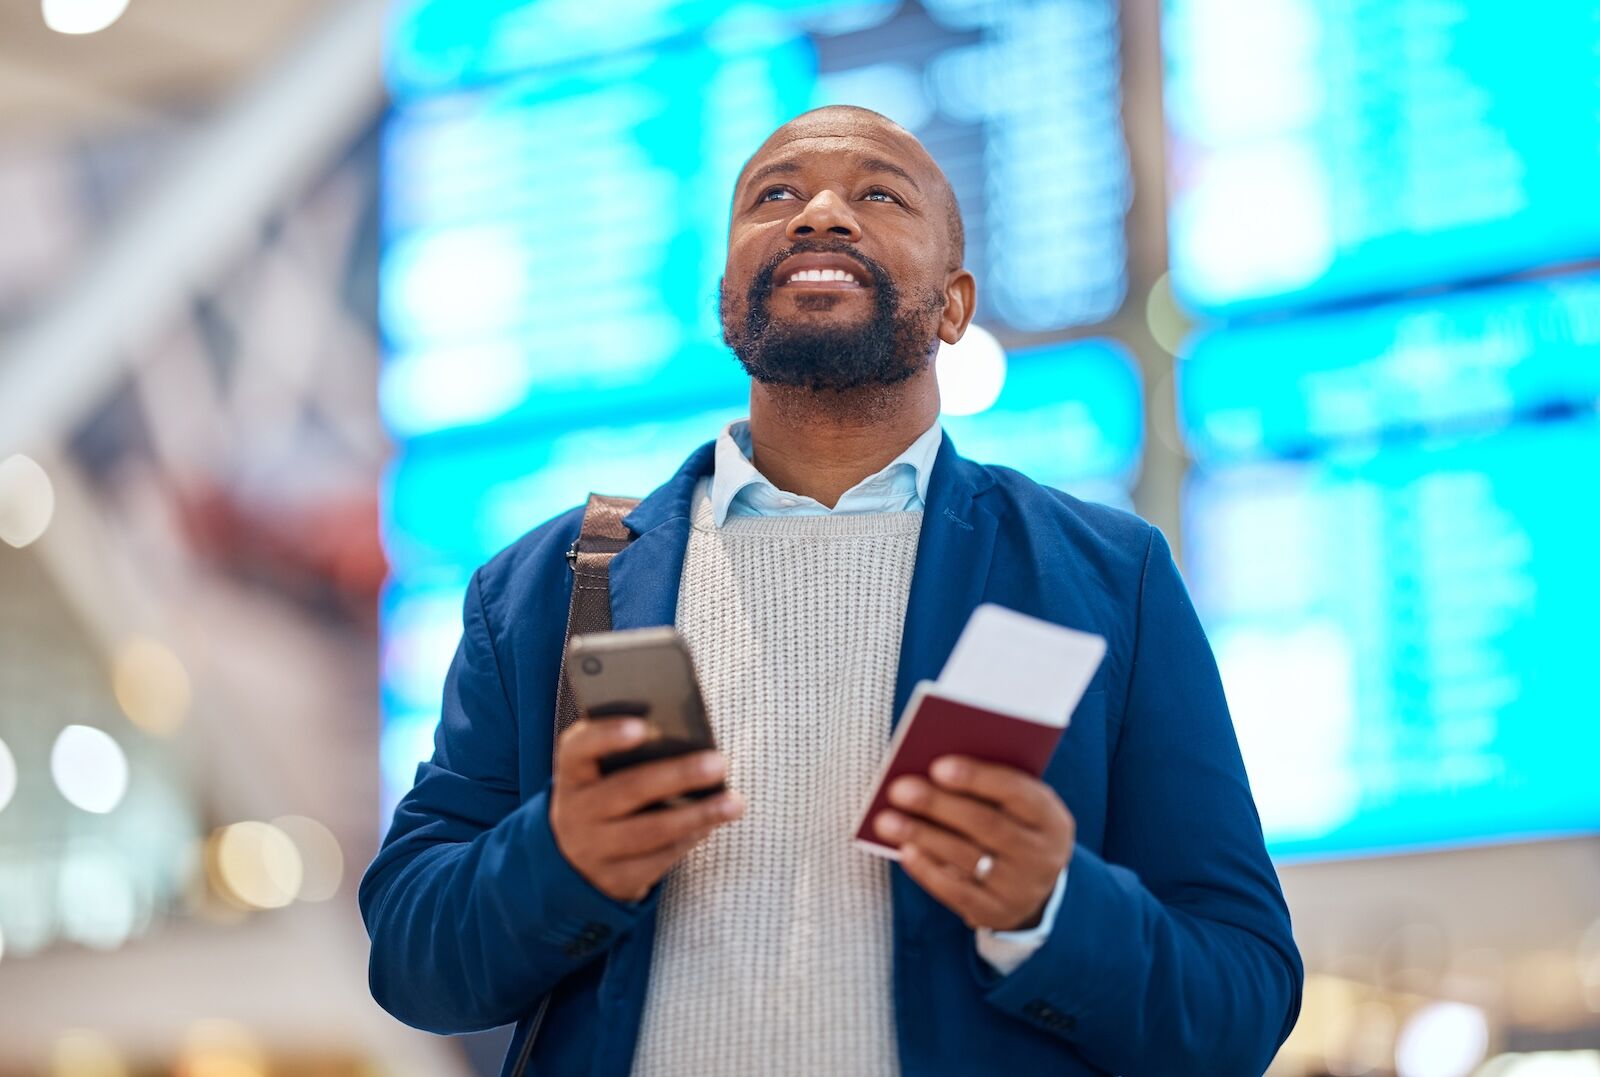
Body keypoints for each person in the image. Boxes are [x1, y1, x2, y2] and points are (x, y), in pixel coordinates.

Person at [359, 105, 1303, 1076]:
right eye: (774, 195)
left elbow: (1241, 998)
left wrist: (1051, 909)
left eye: (878, 194)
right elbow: (411, 962)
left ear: (954, 306)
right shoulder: (539, 594)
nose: (817, 215)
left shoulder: (1107, 580)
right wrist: (555, 861)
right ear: (727, 294)